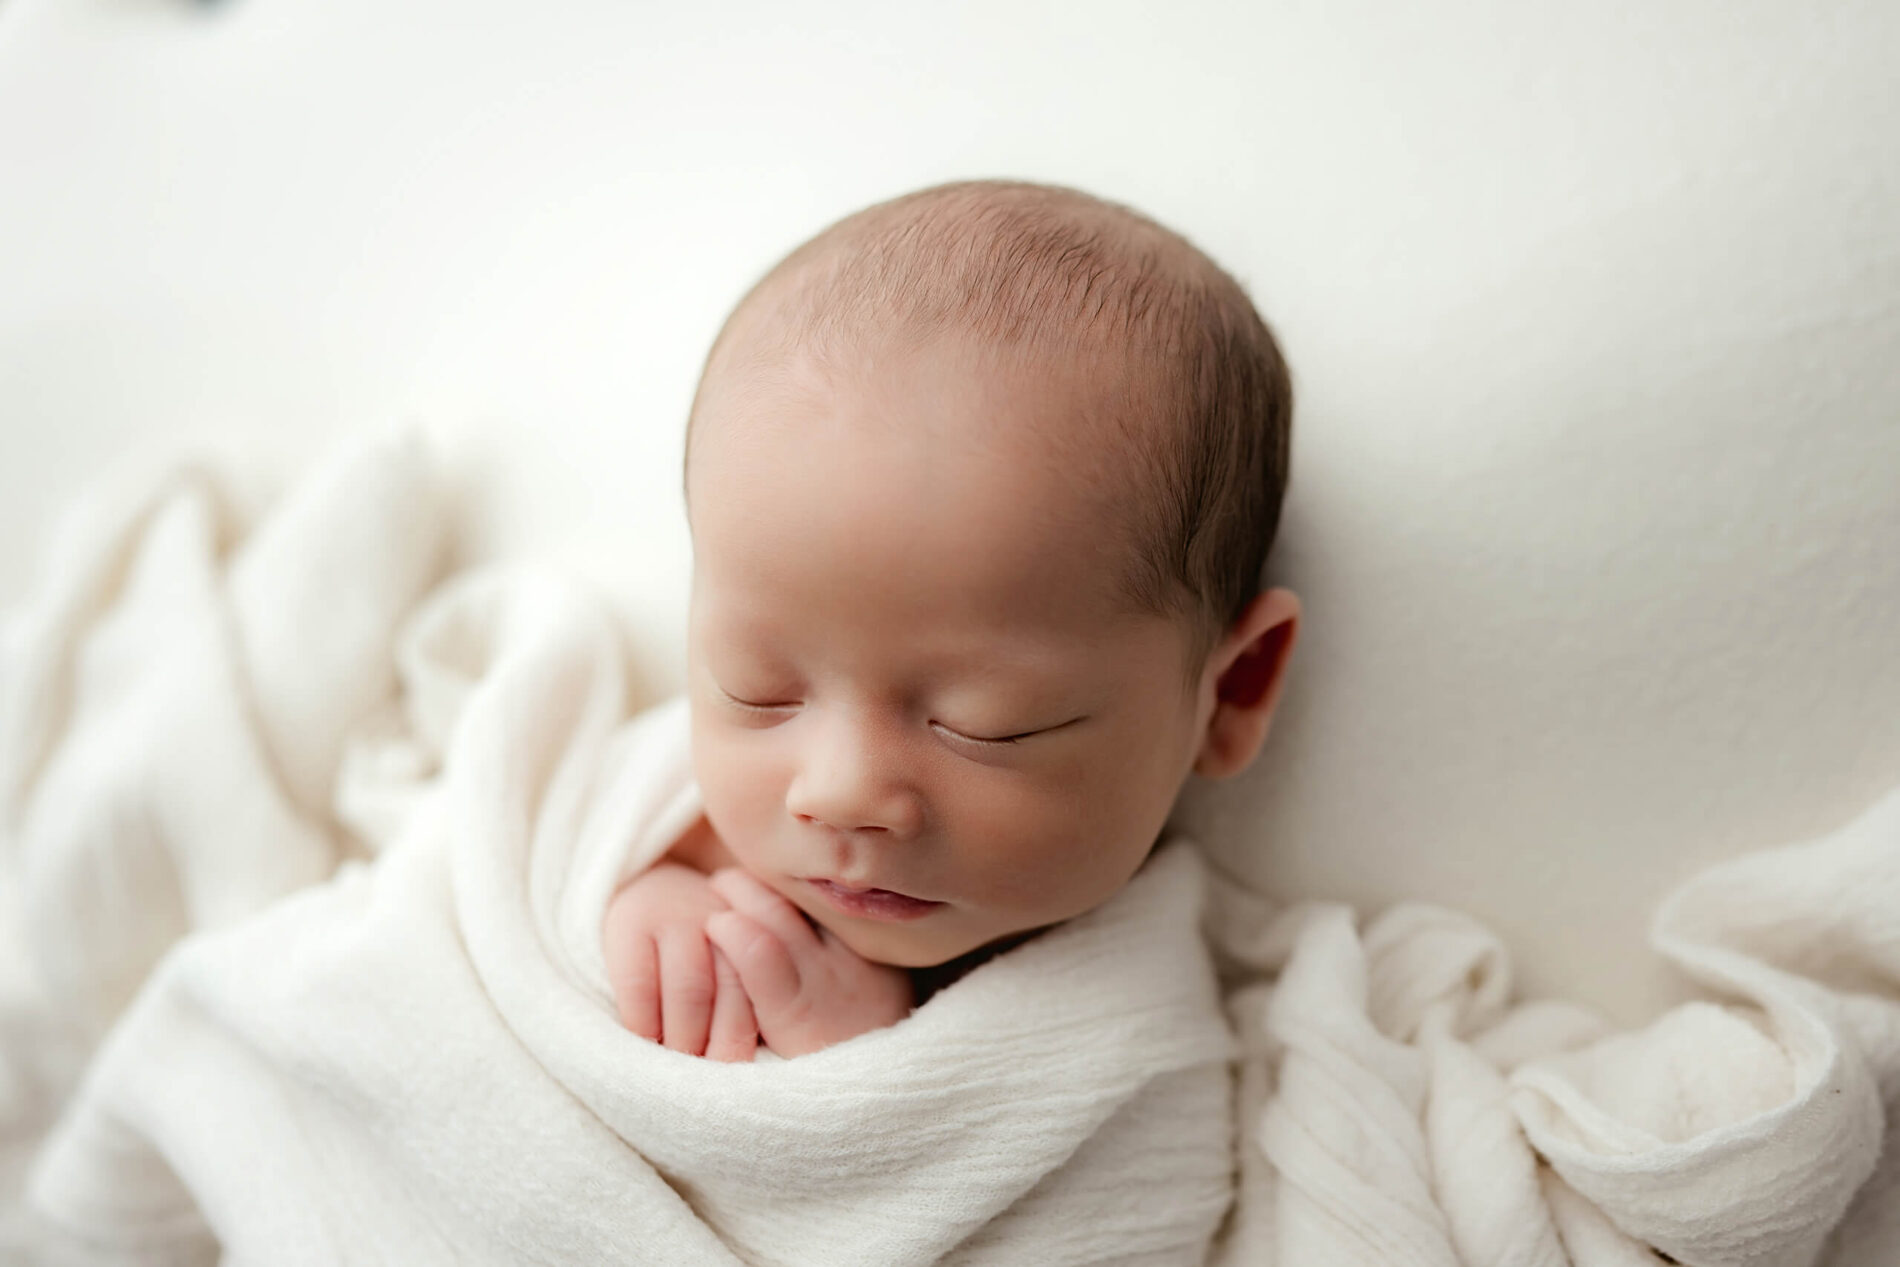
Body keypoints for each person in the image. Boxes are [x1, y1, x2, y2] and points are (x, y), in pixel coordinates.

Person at [603, 177, 1302, 1063]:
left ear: (1232, 688)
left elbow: (1126, 1199)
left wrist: (860, 1075)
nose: (840, 792)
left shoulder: (1129, 1022)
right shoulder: (653, 829)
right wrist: (634, 904)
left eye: (987, 725)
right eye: (759, 689)